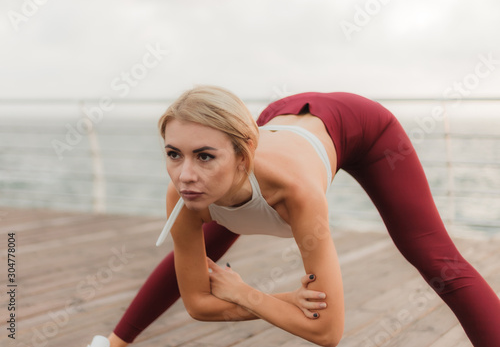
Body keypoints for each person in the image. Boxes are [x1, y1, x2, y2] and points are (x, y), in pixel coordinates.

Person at [93, 86, 500, 347]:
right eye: (172, 154)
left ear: (243, 152)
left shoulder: (294, 194)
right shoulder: (187, 190)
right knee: (206, 239)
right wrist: (283, 301)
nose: (184, 175)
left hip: (362, 127)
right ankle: (112, 344)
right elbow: (198, 303)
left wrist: (241, 292)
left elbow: (327, 330)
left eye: (204, 155)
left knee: (434, 257)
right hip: (283, 113)